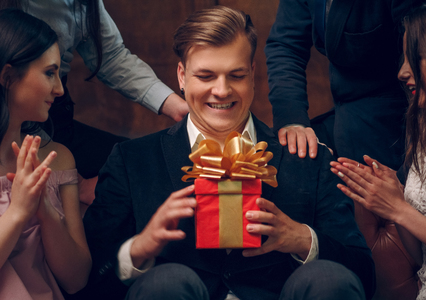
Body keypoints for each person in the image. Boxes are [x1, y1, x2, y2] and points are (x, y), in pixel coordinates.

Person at [80, 6, 375, 300]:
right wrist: (138, 250)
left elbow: (362, 275)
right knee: (165, 283)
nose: (221, 91)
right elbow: (89, 282)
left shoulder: (308, 159)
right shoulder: (131, 161)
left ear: (252, 74)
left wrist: (303, 239)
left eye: (236, 75)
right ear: (182, 76)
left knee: (328, 278)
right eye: (206, 76)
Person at [330, 2, 426, 299]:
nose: (401, 72)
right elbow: (422, 259)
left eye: (415, 58)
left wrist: (400, 210)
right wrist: (394, 200)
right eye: (403, 59)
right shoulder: (424, 134)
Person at [0, 0, 189, 179]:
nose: (60, 90)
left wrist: (175, 106)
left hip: (54, 118)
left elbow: (111, 55)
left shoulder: (61, 156)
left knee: (138, 162)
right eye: (49, 72)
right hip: (15, 115)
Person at [265, 0, 424, 168]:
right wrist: (292, 120)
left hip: (399, 127)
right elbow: (286, 46)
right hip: (341, 119)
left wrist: (405, 178)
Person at [0, 8, 91, 299]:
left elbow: (77, 280)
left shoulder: (58, 159)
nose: (60, 89)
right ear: (7, 76)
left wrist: (46, 211)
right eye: (50, 73)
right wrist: (18, 212)